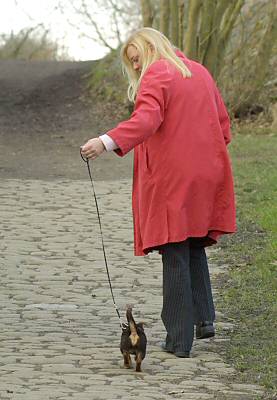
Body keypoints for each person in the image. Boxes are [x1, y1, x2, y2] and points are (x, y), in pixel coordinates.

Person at [81, 28, 236, 358]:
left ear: (151, 48)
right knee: (194, 242)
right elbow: (224, 126)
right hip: (208, 171)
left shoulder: (158, 74)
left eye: (137, 58)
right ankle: (204, 320)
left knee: (175, 247)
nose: (136, 67)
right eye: (133, 63)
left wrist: (105, 141)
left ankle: (179, 340)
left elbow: (147, 119)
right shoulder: (200, 71)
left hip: (174, 176)